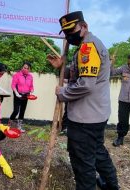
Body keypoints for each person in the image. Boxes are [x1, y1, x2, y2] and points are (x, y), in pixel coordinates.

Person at [47, 11, 119, 190]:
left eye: (71, 30)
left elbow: (86, 84)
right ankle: (111, 185)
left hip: (85, 118)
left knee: (82, 162)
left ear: (84, 26)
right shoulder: (86, 46)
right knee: (97, 152)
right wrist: (62, 67)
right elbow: (82, 73)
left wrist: (63, 93)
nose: (68, 36)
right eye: (65, 33)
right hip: (95, 114)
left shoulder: (88, 47)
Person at [9, 61, 34, 132]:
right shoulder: (17, 75)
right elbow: (13, 85)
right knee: (16, 110)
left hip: (26, 95)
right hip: (18, 94)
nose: (25, 69)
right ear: (22, 67)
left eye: (27, 68)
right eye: (24, 67)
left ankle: (19, 126)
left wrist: (32, 90)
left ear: (29, 69)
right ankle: (10, 123)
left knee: (22, 110)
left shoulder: (30, 76)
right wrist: (16, 93)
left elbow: (31, 86)